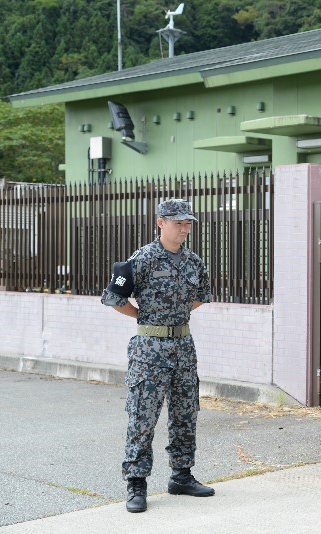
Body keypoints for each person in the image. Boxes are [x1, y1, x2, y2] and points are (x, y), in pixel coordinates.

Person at [101, 198, 214, 513]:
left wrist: (174, 316)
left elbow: (201, 296)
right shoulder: (143, 258)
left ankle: (181, 475)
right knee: (143, 417)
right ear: (160, 223)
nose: (184, 228)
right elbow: (113, 297)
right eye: (178, 222)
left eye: (188, 222)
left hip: (183, 348)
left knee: (185, 414)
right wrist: (144, 315)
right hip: (149, 350)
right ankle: (136, 484)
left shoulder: (193, 261)